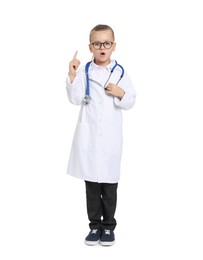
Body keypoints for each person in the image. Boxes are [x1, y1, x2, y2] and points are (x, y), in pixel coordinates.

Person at [66, 24, 136, 246]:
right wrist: (72, 74)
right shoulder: (84, 71)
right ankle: (94, 226)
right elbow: (75, 99)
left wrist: (120, 92)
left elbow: (131, 100)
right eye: (97, 44)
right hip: (88, 139)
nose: (102, 47)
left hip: (110, 139)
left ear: (113, 46)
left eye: (106, 43)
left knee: (109, 186)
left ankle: (108, 227)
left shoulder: (120, 73)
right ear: (90, 47)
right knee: (92, 187)